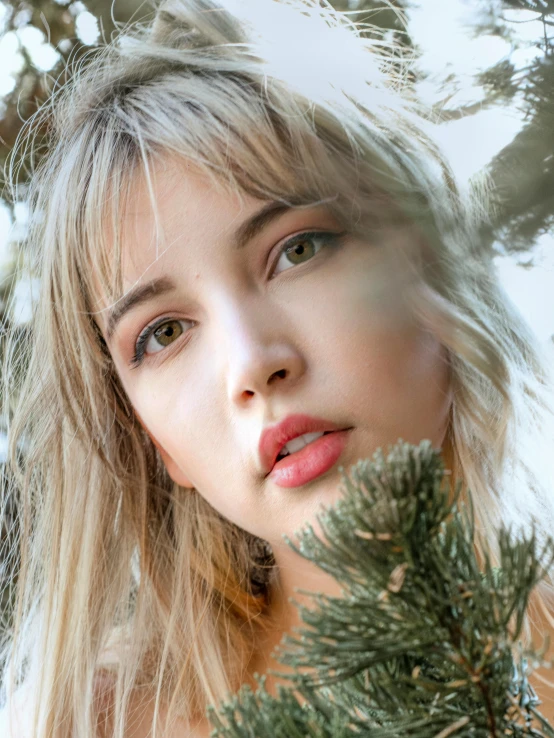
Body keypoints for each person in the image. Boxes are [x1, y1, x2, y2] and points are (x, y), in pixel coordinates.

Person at [1, 0, 554, 735]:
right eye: (163, 332)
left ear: (426, 265)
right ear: (156, 443)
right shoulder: (95, 722)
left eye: (297, 250)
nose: (252, 365)